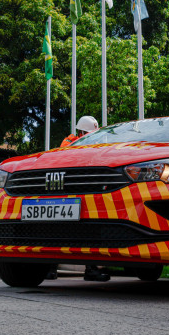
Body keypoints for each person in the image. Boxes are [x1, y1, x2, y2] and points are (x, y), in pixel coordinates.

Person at [54, 116, 109, 282]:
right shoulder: (72, 144)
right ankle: (89, 269)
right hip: (70, 193)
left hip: (77, 193)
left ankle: (89, 269)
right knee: (64, 231)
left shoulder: (77, 143)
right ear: (82, 132)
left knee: (78, 231)